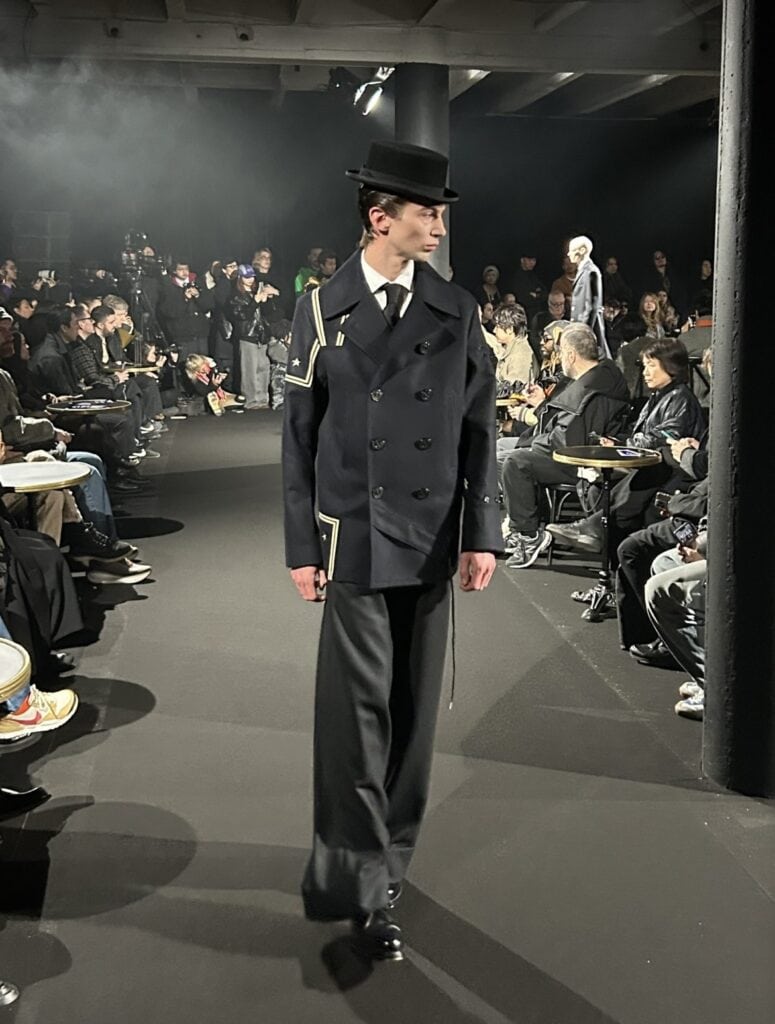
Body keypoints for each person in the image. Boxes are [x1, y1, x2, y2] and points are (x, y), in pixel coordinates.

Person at [283, 140, 501, 962]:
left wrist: (482, 532)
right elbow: (297, 437)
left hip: (436, 533)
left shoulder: (458, 310)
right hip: (355, 537)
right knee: (354, 719)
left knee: (410, 721)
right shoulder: (318, 309)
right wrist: (302, 544)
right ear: (381, 217)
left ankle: (389, 867)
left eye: (440, 213)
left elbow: (481, 428)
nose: (439, 226)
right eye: (426, 212)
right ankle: (358, 876)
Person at [548, 337, 705, 552]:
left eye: (652, 365)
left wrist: (628, 443)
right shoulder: (658, 396)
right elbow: (642, 432)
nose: (645, 372)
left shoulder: (680, 399)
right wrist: (618, 442)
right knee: (596, 485)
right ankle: (602, 548)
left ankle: (595, 529)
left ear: (671, 367)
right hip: (648, 461)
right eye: (645, 366)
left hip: (673, 471)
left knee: (640, 480)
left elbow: (664, 436)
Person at [499, 323, 630, 569]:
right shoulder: (600, 379)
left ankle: (527, 535)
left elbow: (569, 439)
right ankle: (520, 526)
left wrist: (537, 442)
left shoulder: (591, 390)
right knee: (511, 456)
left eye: (561, 354)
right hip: (568, 450)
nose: (559, 361)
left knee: (515, 462)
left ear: (571, 355)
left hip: (577, 459)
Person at [157, 260, 214, 360]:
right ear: (174, 271)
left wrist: (198, 296)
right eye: (180, 269)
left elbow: (209, 305)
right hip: (182, 335)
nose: (184, 272)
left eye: (186, 269)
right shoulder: (168, 286)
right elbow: (169, 312)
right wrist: (185, 299)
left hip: (201, 334)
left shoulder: (198, 281)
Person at [568, 235, 609, 357]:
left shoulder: (590, 271)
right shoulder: (584, 271)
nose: (569, 254)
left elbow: (591, 305)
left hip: (586, 328)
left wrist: (583, 331)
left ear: (582, 251)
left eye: (572, 250)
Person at [511, 251, 546, 322]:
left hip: (537, 313)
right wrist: (537, 295)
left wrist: (536, 295)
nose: (532, 263)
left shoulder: (534, 275)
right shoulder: (516, 277)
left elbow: (545, 293)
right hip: (523, 315)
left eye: (534, 260)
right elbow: (522, 298)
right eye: (529, 260)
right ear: (522, 260)